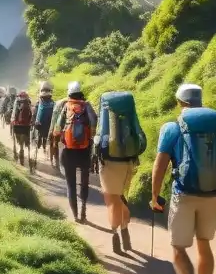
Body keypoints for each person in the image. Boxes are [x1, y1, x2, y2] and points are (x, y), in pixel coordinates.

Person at [150, 83, 216, 274]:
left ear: (180, 103)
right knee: (204, 244)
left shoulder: (172, 128)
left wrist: (154, 196)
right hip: (213, 194)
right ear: (200, 101)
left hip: (184, 194)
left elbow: (160, 165)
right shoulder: (213, 126)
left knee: (178, 248)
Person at [94, 91, 146, 255]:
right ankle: (125, 230)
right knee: (121, 197)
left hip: (109, 163)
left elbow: (98, 137)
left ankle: (115, 234)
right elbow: (140, 138)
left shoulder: (105, 110)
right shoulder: (129, 111)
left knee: (112, 200)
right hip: (129, 162)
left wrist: (94, 156)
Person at [54, 80, 97, 223]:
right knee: (84, 182)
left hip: (69, 152)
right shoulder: (87, 105)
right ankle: (84, 208)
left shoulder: (66, 106)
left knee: (70, 184)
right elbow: (94, 120)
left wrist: (58, 136)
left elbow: (57, 128)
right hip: (85, 150)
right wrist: (90, 136)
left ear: (69, 93)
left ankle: (75, 215)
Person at [32, 82, 56, 169]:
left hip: (39, 125)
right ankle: (49, 157)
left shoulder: (39, 103)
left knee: (37, 137)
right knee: (48, 139)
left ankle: (36, 155)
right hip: (49, 125)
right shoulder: (53, 103)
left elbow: (35, 115)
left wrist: (33, 123)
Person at [10, 90, 33, 168]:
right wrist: (31, 122)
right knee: (24, 141)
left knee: (19, 141)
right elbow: (31, 113)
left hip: (17, 125)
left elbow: (14, 112)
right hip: (26, 125)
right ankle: (24, 148)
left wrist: (12, 120)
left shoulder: (17, 101)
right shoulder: (28, 101)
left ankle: (20, 150)